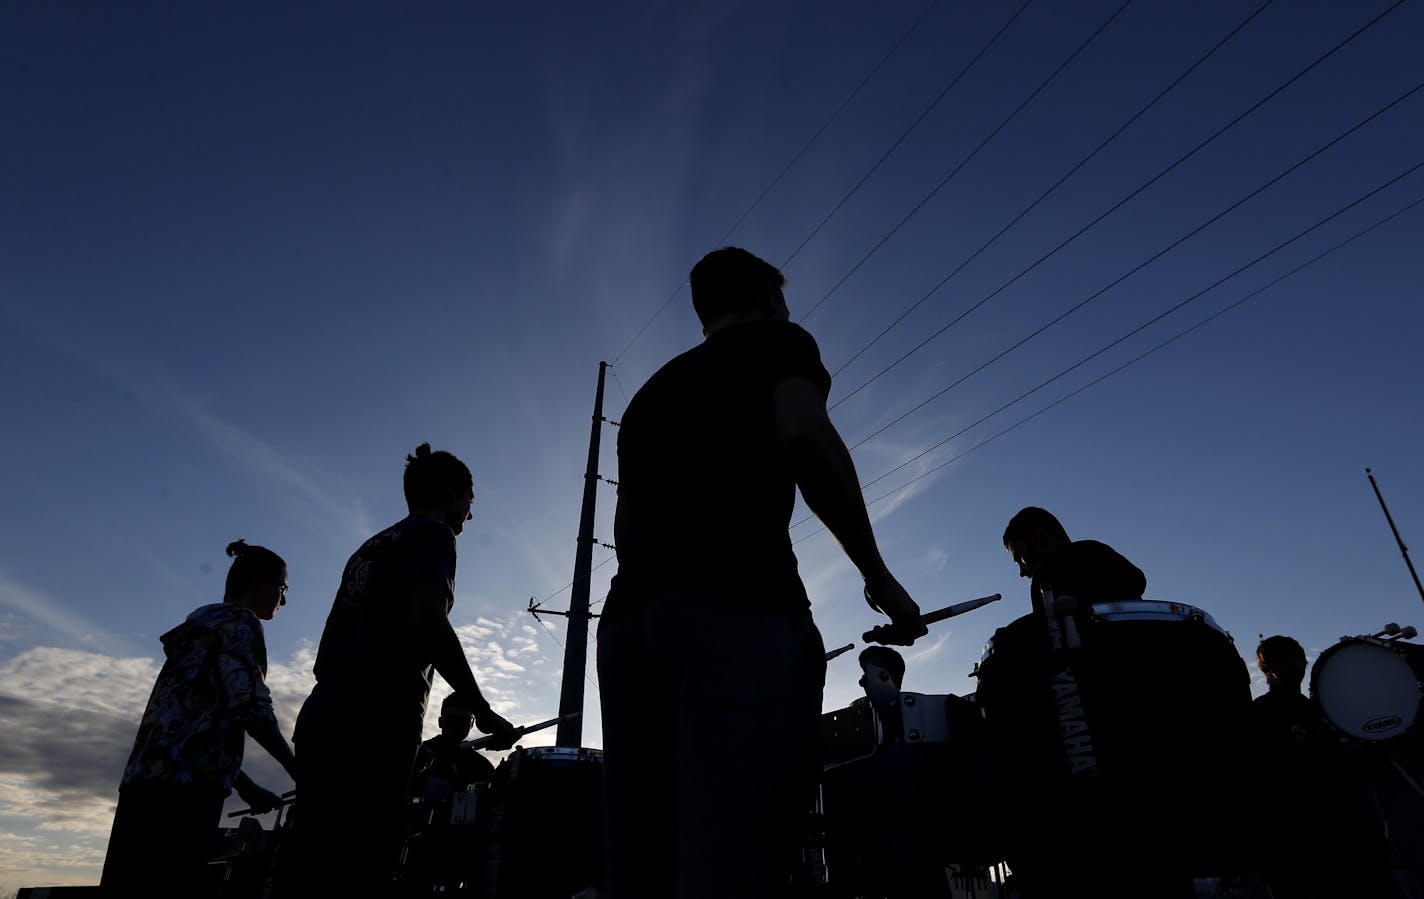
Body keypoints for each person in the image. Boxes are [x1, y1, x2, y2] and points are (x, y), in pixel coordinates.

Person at [597, 246, 925, 899]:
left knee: (647, 859)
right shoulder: (779, 342)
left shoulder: (645, 398)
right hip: (736, 612)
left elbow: (625, 530)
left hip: (630, 626)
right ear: (768, 299)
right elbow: (805, 434)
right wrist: (877, 574)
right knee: (741, 853)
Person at [282, 443, 517, 895]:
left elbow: (328, 648)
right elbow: (428, 619)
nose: (470, 514)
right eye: (470, 499)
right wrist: (480, 708)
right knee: (362, 861)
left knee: (309, 863)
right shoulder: (434, 536)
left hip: (323, 714)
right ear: (451, 493)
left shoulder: (369, 548)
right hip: (377, 719)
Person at [101, 539, 297, 899]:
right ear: (257, 583)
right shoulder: (241, 624)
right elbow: (250, 706)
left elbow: (187, 730)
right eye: (282, 588)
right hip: (187, 799)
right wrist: (297, 768)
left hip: (141, 785)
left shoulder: (200, 631)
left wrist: (245, 785)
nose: (283, 601)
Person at [1249, 636, 1402, 898]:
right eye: (1285, 658)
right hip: (1301, 845)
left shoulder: (1325, 710)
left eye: (1298, 656)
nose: (1296, 664)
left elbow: (1343, 768)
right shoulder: (1259, 715)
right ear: (1267, 668)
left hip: (1353, 836)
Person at [411, 692, 498, 789]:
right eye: (451, 720)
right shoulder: (419, 754)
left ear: (471, 724)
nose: (457, 726)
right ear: (440, 722)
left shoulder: (482, 766)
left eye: (464, 721)